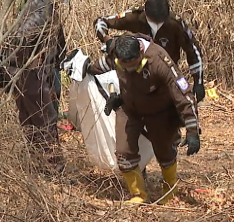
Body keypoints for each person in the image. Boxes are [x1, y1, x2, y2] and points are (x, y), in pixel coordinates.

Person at [86, 34, 201, 204]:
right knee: (124, 151)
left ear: (141, 52)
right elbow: (101, 66)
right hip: (128, 108)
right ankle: (138, 195)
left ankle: (169, 190)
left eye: (135, 67)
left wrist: (192, 130)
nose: (130, 71)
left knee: (164, 151)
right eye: (125, 67)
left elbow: (184, 94)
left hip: (159, 111)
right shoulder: (115, 51)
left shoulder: (160, 60)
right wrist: (85, 70)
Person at [0, 0, 87, 172]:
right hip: (29, 74)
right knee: (45, 122)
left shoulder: (43, 4)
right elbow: (17, 41)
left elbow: (56, 42)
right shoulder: (39, 7)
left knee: (34, 121)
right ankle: (54, 172)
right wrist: (32, 65)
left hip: (32, 73)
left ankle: (38, 167)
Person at [93, 0, 206, 102]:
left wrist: (198, 81)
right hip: (138, 76)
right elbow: (101, 21)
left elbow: (192, 50)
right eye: (154, 22)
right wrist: (107, 40)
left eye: (161, 23)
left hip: (167, 76)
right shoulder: (135, 17)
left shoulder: (175, 24)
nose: (157, 25)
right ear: (146, 14)